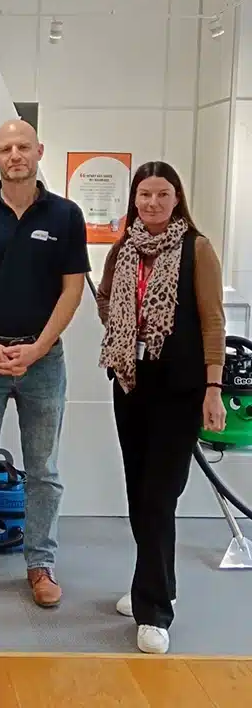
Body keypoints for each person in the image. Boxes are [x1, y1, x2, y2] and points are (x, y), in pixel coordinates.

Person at [0, 118, 90, 607]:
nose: (16, 154)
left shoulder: (66, 215)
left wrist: (39, 347)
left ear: (38, 150)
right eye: (6, 147)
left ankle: (40, 564)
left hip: (43, 360)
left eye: (23, 146)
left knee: (43, 469)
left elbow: (73, 291)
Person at [97, 161, 225, 654]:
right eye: (144, 195)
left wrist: (213, 388)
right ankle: (153, 581)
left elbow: (212, 321)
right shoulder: (124, 249)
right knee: (138, 492)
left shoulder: (198, 249)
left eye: (162, 194)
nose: (151, 203)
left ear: (177, 199)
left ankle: (154, 610)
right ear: (135, 199)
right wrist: (125, 329)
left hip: (182, 387)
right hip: (131, 381)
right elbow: (106, 298)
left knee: (159, 495)